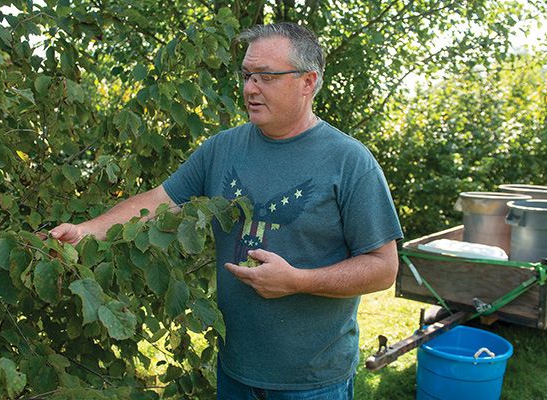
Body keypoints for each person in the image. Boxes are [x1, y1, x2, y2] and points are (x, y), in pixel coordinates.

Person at [50, 22, 403, 399]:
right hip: (235, 369)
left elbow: (383, 268)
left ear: (307, 81)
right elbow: (158, 201)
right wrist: (88, 230)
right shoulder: (222, 148)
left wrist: (298, 281)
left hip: (313, 381)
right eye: (248, 75)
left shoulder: (349, 161)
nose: (250, 88)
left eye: (266, 76)